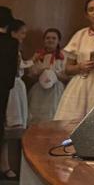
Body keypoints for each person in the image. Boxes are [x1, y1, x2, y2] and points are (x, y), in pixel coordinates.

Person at [1, 19, 28, 179]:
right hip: (10, 90)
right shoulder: (10, 49)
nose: (24, 36)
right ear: (13, 33)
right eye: (22, 33)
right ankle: (5, 166)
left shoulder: (16, 49)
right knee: (7, 128)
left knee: (8, 132)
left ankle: (6, 165)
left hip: (17, 90)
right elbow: (15, 71)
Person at [27, 28, 69, 125]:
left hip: (57, 90)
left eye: (54, 38)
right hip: (39, 91)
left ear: (58, 41)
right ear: (44, 40)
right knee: (36, 118)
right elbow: (31, 75)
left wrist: (55, 74)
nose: (50, 40)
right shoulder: (37, 55)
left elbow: (68, 76)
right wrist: (40, 71)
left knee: (54, 115)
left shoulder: (64, 56)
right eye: (48, 38)